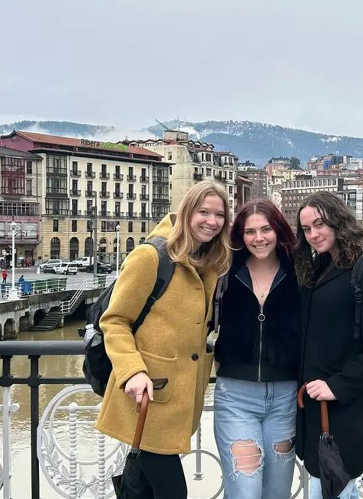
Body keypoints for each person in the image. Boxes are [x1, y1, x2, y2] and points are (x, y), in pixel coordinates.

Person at [95, 181, 232, 499]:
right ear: (186, 212)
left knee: (144, 490)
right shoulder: (150, 256)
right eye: (203, 212)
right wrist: (132, 371)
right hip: (149, 394)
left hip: (178, 398)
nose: (212, 221)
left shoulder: (208, 263)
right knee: (174, 493)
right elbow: (114, 321)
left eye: (219, 215)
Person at [294, 191, 363, 499]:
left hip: (345, 408)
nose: (313, 235)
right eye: (306, 229)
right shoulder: (322, 265)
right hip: (317, 408)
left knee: (329, 487)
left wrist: (337, 386)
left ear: (339, 221)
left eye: (320, 225)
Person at [213, 199, 300, 499]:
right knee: (244, 492)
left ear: (278, 230)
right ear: (240, 235)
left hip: (286, 397)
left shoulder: (300, 271)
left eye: (266, 229)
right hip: (236, 397)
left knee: (277, 493)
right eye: (250, 232)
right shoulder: (224, 270)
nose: (259, 238)